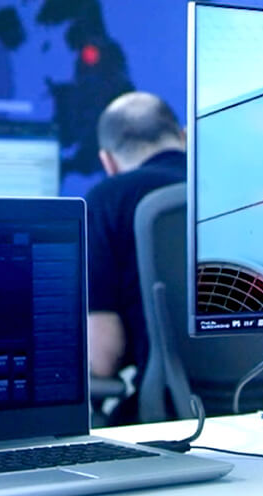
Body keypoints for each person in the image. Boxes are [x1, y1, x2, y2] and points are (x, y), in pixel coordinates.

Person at [85, 90, 186, 424]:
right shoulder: (236, 187)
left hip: (174, 418)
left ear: (108, 162)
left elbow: (102, 358)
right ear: (183, 136)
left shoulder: (106, 200)